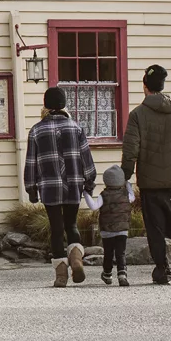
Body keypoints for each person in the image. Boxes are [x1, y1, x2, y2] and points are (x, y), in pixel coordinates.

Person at [121, 65, 171, 285]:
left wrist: (124, 176)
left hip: (150, 183)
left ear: (145, 86)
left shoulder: (137, 115)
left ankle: (163, 271)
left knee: (155, 229)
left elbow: (130, 151)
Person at [24, 87, 97, 288]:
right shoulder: (76, 128)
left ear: (46, 106)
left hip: (49, 187)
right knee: (71, 225)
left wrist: (31, 189)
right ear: (64, 105)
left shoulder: (36, 130)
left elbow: (31, 162)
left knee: (56, 228)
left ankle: (61, 274)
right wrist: (89, 183)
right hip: (73, 185)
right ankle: (76, 258)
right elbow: (87, 160)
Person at [84, 165, 134, 287]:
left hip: (107, 231)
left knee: (108, 253)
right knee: (121, 253)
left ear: (106, 181)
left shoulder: (104, 194)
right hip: (122, 230)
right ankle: (122, 274)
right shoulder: (126, 194)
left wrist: (85, 193)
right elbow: (132, 197)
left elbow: (94, 206)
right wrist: (128, 185)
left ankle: (107, 274)